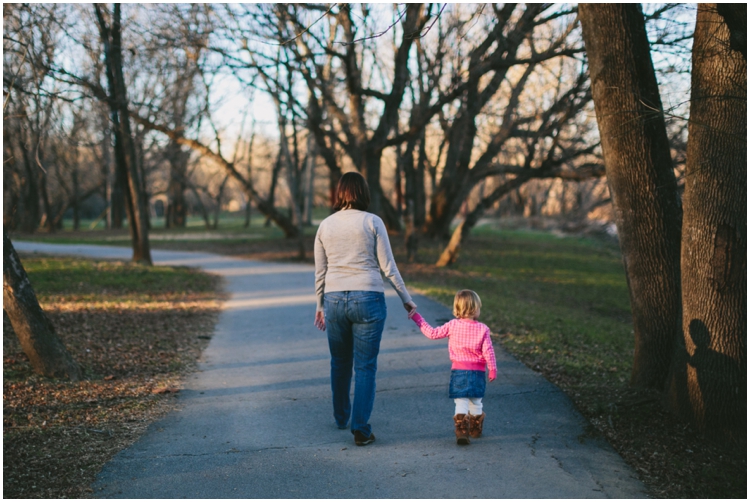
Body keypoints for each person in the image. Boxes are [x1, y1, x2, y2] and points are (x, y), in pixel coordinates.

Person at [314, 172, 416, 447]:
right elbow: (389, 267)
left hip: (334, 299)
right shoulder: (372, 221)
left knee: (339, 362)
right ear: (363, 192)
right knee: (365, 366)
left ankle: (340, 417)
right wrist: (406, 298)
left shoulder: (325, 225)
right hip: (368, 297)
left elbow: (320, 272)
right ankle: (360, 428)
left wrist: (319, 305)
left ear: (340, 193)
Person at [408, 289, 497, 445]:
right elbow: (488, 351)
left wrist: (418, 318)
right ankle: (475, 429)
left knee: (461, 400)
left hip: (459, 371)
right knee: (476, 401)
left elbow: (432, 333)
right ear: (475, 309)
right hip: (478, 372)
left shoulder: (453, 325)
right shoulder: (483, 329)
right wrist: (493, 368)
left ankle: (462, 431)